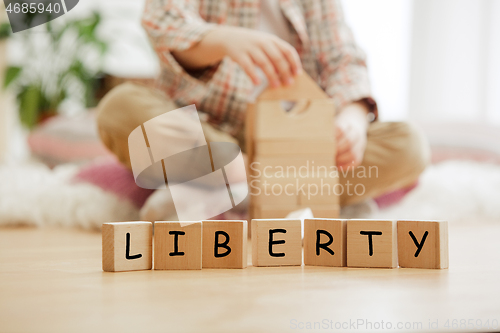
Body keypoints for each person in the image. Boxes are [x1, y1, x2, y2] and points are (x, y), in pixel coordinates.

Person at [96, 0, 430, 218]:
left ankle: (226, 194)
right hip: (209, 137)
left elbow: (345, 60)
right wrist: (222, 39)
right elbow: (161, 18)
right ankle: (274, 195)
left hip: (296, 149)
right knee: (119, 107)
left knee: (408, 144)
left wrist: (353, 119)